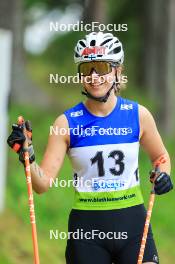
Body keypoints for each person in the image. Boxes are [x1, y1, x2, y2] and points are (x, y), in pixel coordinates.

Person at [7, 32, 173, 264]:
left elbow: (161, 156)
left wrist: (163, 174)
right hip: (87, 231)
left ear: (117, 71)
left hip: (133, 225)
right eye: (87, 69)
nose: (94, 77)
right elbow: (42, 184)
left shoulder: (138, 115)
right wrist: (27, 154)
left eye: (102, 67)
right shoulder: (66, 123)